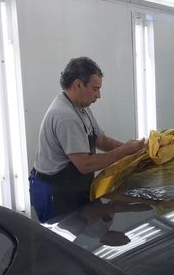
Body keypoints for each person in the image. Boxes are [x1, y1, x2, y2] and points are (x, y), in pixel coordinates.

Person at [29, 57, 145, 222]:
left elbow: (102, 141)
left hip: (74, 186)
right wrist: (125, 151)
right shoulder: (65, 116)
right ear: (78, 85)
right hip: (56, 192)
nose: (99, 95)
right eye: (95, 89)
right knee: (62, 241)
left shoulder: (81, 108)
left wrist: (136, 150)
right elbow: (85, 164)